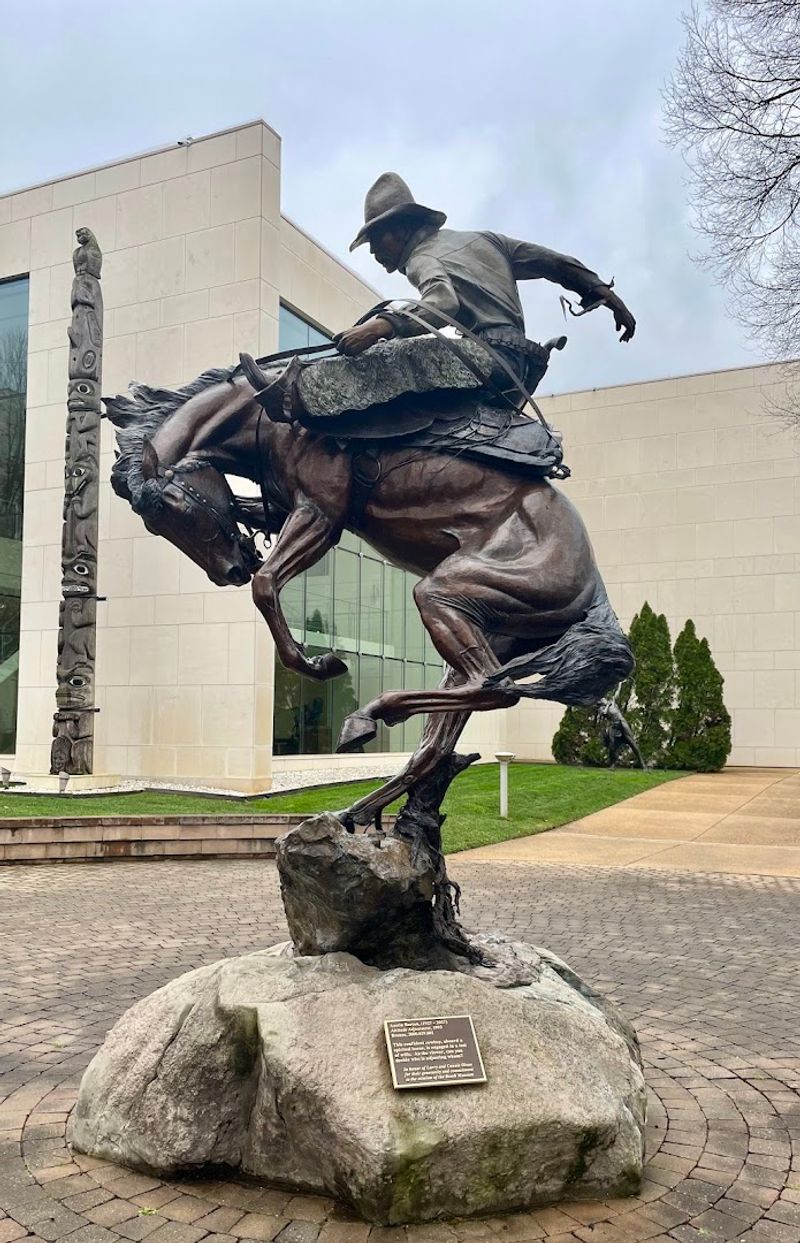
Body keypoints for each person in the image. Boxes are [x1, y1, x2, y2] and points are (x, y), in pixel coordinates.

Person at [334, 172, 636, 403]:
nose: (373, 252)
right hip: (521, 362)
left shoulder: (421, 258)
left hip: (489, 362)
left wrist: (379, 327)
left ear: (401, 228)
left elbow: (441, 301)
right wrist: (608, 297)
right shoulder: (486, 240)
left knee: (386, 364)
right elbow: (555, 263)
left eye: (377, 238)